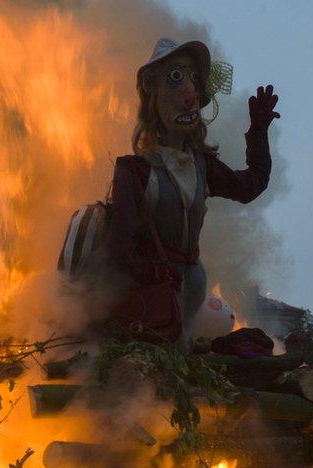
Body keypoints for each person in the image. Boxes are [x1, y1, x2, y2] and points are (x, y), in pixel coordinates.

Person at [105, 37, 278, 344]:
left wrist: (259, 131)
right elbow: (120, 251)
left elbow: (251, 185)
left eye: (193, 79)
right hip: (149, 299)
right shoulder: (134, 171)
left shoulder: (203, 166)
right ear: (153, 97)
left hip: (189, 289)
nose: (188, 93)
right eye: (175, 78)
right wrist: (156, 275)